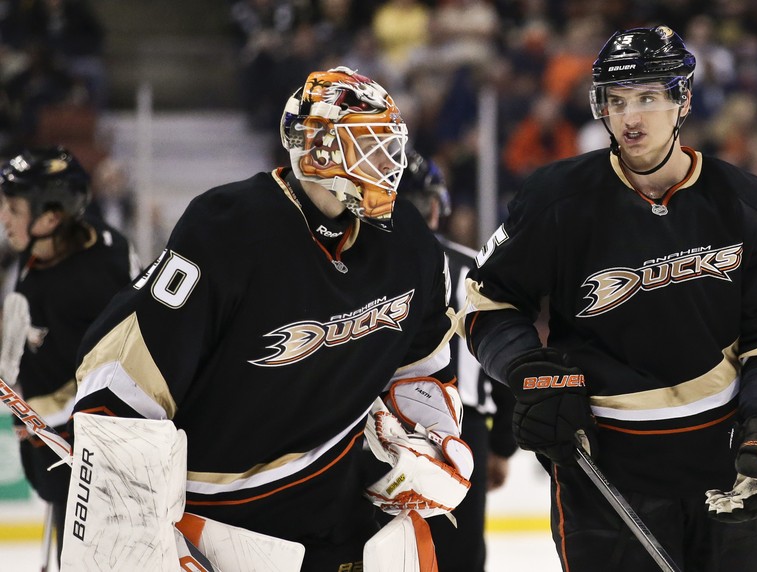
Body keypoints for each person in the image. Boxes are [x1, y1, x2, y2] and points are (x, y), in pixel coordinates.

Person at [69, 66, 472, 572]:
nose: (388, 164)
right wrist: (144, 545)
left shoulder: (408, 242)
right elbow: (123, 393)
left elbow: (420, 365)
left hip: (341, 519)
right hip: (220, 529)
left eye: (388, 145)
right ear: (318, 148)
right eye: (369, 143)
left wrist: (428, 440)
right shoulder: (229, 231)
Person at [462, 25, 757, 572]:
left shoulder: (748, 205)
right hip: (602, 469)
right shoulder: (556, 201)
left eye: (649, 98)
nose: (631, 118)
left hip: (722, 465)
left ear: (684, 101)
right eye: (617, 100)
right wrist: (528, 371)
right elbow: (485, 306)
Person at [0, 146, 139, 564]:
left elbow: (110, 377)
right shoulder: (62, 244)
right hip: (60, 440)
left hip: (86, 452)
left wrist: (30, 412)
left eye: (13, 207)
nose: (4, 217)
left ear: (50, 216)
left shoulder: (86, 283)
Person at [394, 149, 517, 572]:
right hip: (466, 432)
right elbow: (504, 357)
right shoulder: (475, 267)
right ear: (436, 208)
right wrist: (502, 443)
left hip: (386, 425)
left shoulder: (364, 265)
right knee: (459, 555)